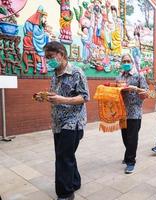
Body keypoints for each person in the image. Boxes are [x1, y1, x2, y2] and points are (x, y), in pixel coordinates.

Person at [43, 41, 90, 200]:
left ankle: (65, 193)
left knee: (63, 157)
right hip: (57, 121)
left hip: (73, 122)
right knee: (66, 154)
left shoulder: (77, 72)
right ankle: (75, 182)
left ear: (61, 54)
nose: (48, 60)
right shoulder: (55, 74)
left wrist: (61, 99)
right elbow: (55, 95)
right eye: (46, 57)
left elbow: (84, 97)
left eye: (50, 56)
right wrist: (48, 97)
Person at [118, 53, 149, 174]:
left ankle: (131, 161)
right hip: (123, 111)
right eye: (124, 61)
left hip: (135, 112)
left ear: (132, 62)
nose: (126, 63)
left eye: (128, 61)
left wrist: (136, 89)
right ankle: (128, 155)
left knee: (132, 137)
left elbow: (147, 93)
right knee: (125, 136)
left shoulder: (138, 76)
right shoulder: (119, 76)